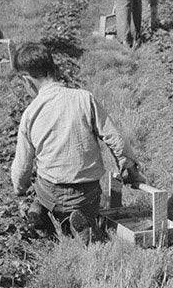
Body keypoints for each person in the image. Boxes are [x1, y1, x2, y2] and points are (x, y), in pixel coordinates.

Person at [10, 43, 137, 239]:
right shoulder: (84, 99)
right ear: (53, 69)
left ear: (27, 80)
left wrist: (19, 188)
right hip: (85, 193)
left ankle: (44, 213)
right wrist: (127, 166)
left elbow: (22, 166)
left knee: (42, 189)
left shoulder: (30, 114)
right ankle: (84, 221)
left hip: (51, 191)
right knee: (92, 203)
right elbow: (115, 138)